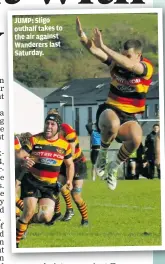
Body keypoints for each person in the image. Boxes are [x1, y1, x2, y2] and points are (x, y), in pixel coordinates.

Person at [76, 17, 154, 190]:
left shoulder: (146, 68)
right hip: (110, 109)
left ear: (138, 56)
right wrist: (82, 37)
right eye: (123, 54)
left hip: (130, 115)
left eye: (128, 56)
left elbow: (130, 65)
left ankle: (114, 166)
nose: (123, 59)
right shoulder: (117, 63)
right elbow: (95, 52)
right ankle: (102, 156)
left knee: (136, 138)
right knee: (112, 123)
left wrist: (104, 46)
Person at [15, 113, 74, 248]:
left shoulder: (64, 145)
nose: (49, 126)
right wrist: (25, 160)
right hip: (32, 181)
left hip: (50, 185)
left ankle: (24, 223)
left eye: (52, 124)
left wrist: (69, 180)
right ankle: (15, 245)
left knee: (45, 217)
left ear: (58, 127)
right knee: (29, 211)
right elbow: (19, 154)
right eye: (47, 123)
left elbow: (70, 164)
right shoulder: (35, 139)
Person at [47, 109, 88, 226]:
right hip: (63, 163)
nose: (51, 121)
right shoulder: (49, 133)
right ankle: (58, 212)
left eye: (53, 118)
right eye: (49, 118)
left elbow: (72, 151)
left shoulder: (67, 129)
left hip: (77, 163)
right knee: (54, 188)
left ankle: (85, 220)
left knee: (76, 196)